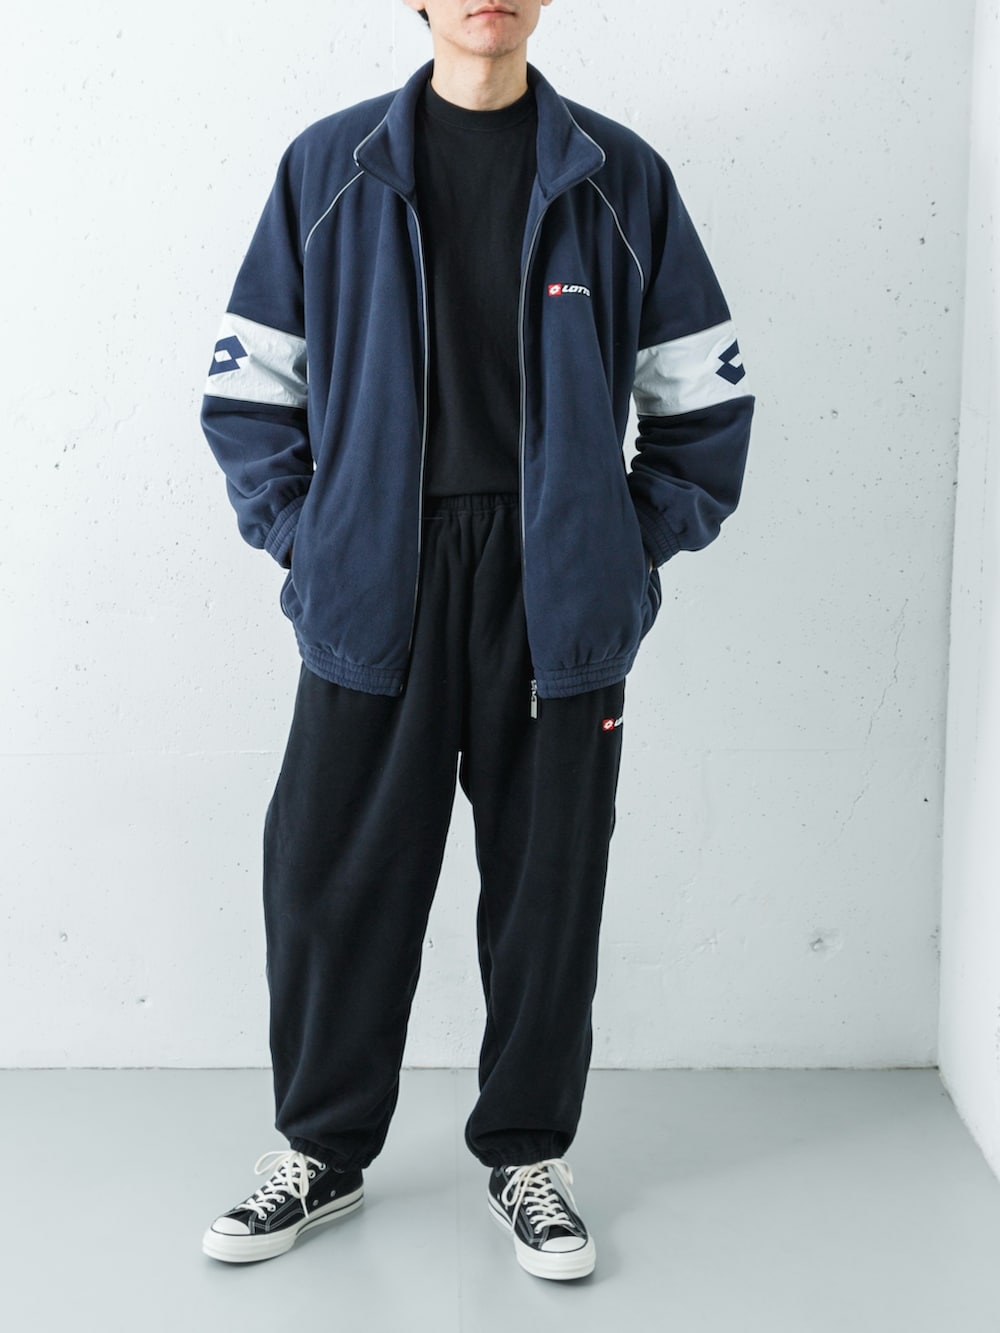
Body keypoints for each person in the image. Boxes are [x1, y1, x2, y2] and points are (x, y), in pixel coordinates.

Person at [199, 0, 754, 1282]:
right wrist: (309, 537)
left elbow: (702, 392)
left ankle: (526, 1154)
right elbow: (247, 387)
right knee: (333, 879)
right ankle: (321, 1148)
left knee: (546, 888)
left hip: (555, 589)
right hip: (373, 581)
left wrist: (625, 545)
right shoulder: (329, 167)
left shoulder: (619, 176)